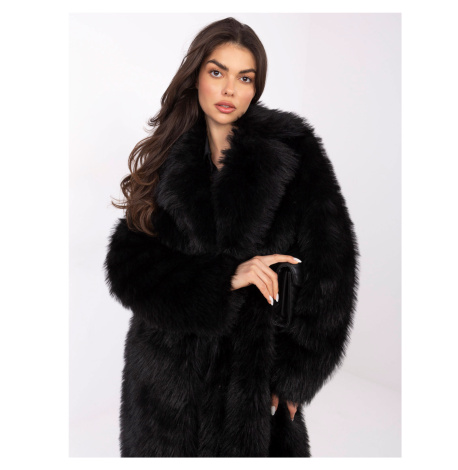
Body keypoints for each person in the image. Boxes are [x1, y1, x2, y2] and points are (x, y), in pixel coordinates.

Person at [104, 17, 359, 457]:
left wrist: (298, 375)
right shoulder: (168, 155)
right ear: (196, 76)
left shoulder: (293, 148)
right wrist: (223, 278)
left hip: (251, 383)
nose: (229, 89)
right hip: (165, 386)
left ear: (255, 87)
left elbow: (332, 267)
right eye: (217, 72)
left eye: (245, 78)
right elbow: (128, 266)